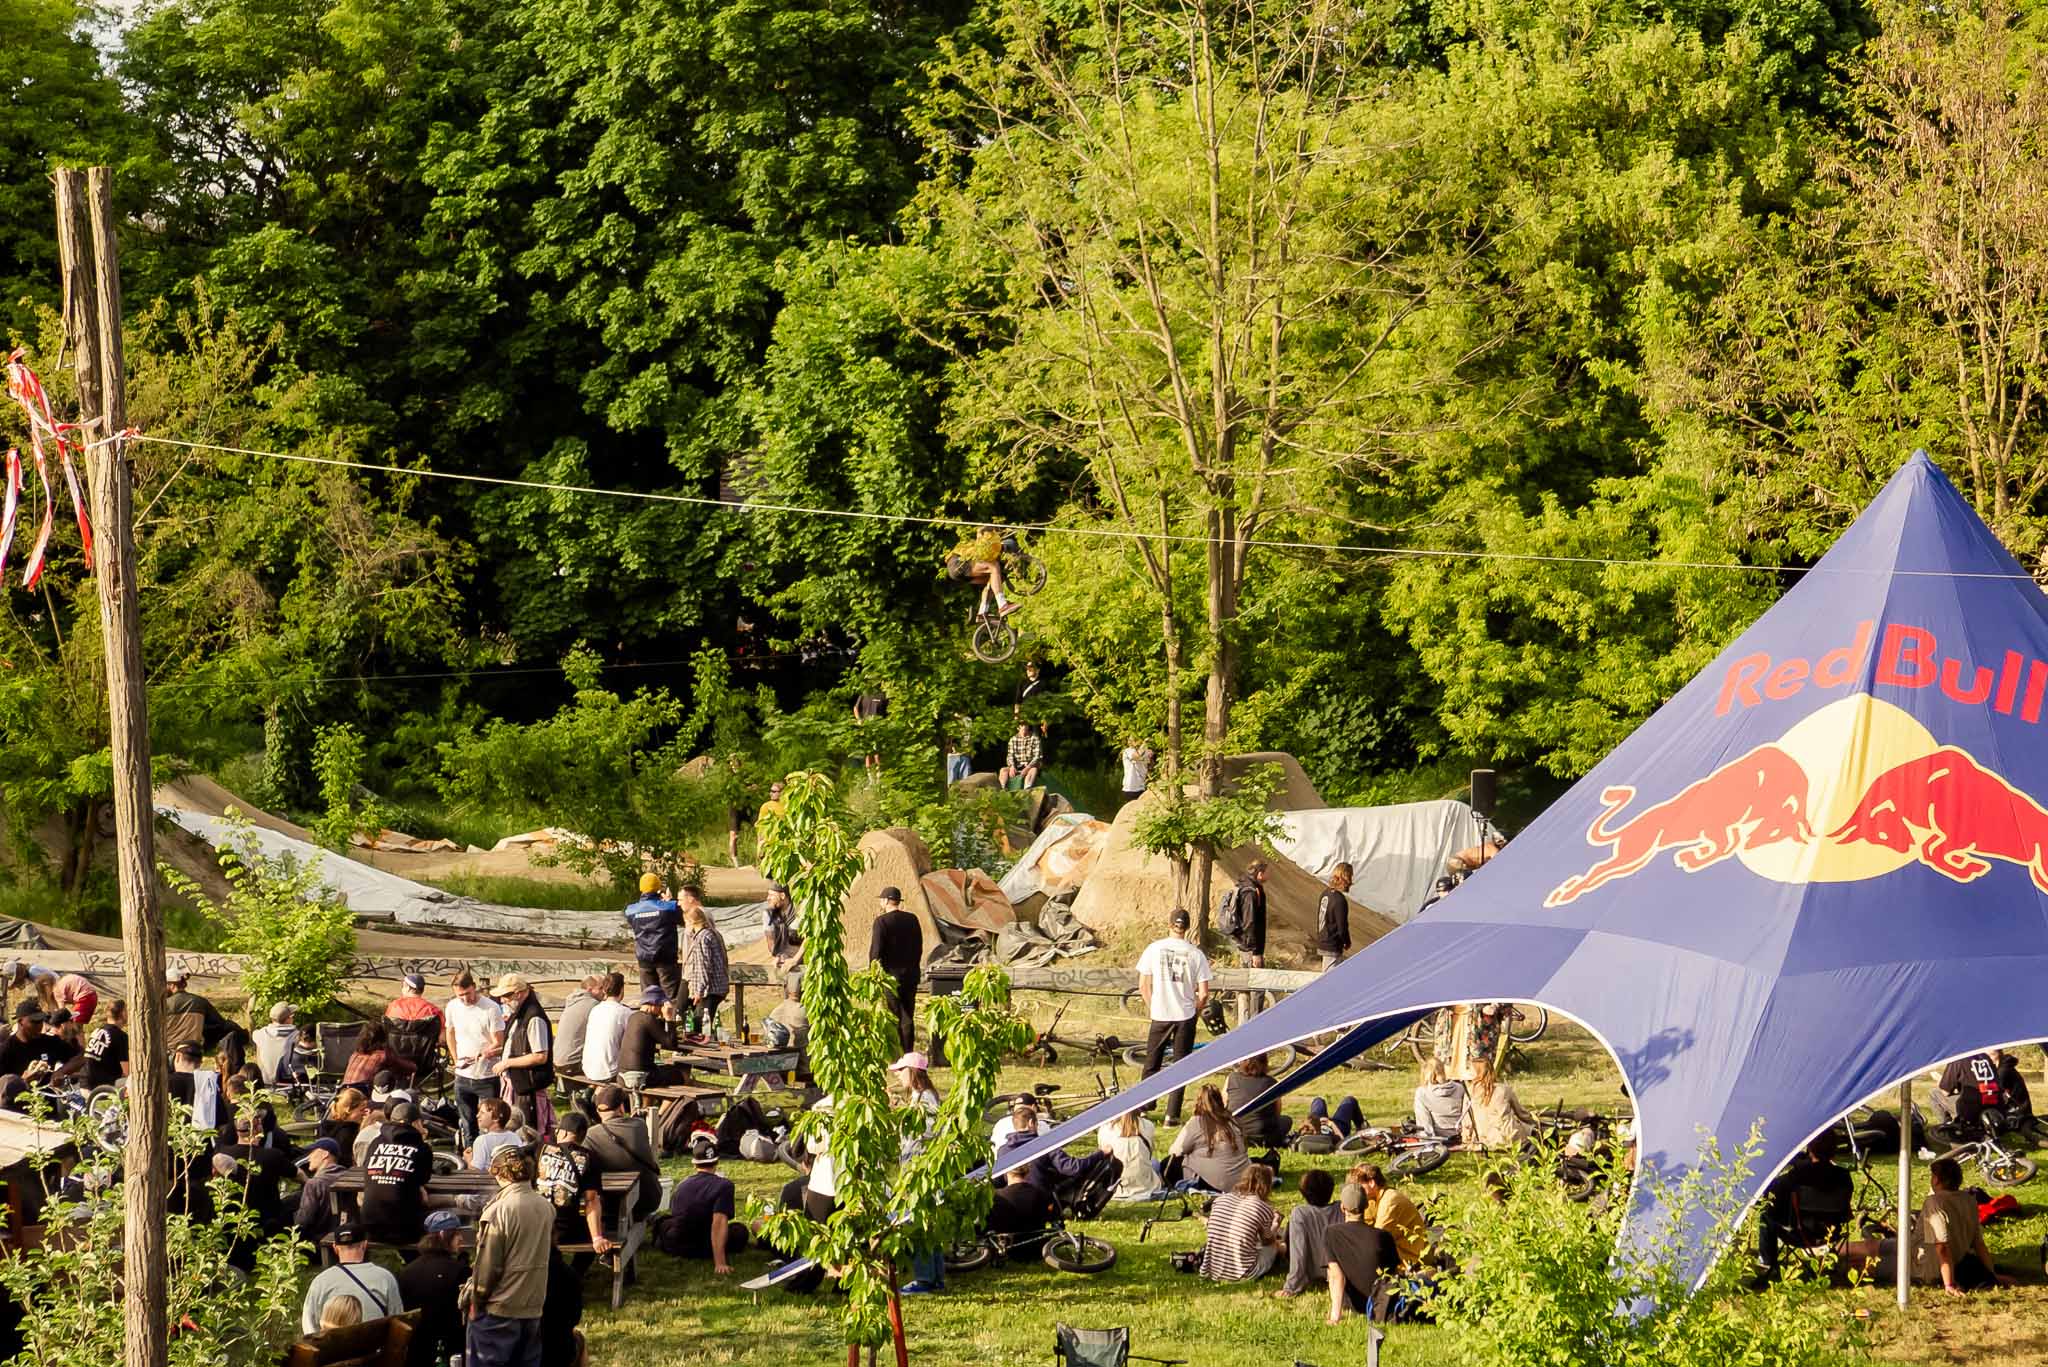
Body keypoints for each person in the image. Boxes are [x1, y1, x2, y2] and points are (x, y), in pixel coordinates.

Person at [1843, 1156, 2013, 1293]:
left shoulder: (1935, 1202)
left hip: (1923, 1265)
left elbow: (1942, 1247)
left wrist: (1949, 1284)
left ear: (1937, 1180)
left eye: (1932, 1176)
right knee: (1870, 1245)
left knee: (1860, 1264)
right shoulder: (1969, 1200)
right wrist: (1991, 1275)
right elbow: (1979, 1244)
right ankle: (1831, 1252)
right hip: (1913, 1247)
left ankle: (1830, 1258)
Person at [467, 1145, 554, 1367]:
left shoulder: (499, 1210)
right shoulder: (546, 1206)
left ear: (498, 1171)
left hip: (500, 1307)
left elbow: (489, 1266)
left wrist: (476, 1300)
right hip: (533, 1303)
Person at [1136, 909, 1212, 1124]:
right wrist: (1195, 1013)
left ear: (1169, 925)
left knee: (1152, 1062)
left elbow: (1143, 985)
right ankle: (1172, 1114)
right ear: (1187, 928)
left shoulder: (1154, 949)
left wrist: (1153, 1006)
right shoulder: (1196, 954)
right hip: (1185, 1014)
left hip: (1161, 1013)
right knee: (1181, 1066)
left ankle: (1145, 1107)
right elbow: (1204, 993)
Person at [1753, 1132, 1853, 1284]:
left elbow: (1767, 1197)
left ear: (1810, 1149)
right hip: (1832, 1233)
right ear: (1834, 1151)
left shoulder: (1797, 1176)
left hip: (1800, 1235)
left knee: (1766, 1216)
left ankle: (1768, 1264)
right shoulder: (1844, 1176)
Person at [655, 1133, 747, 1272]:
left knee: (663, 1221)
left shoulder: (682, 1185)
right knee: (739, 1231)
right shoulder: (724, 1186)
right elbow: (719, 1222)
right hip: (705, 1246)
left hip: (678, 1244)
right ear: (717, 1162)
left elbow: (677, 1215)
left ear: (694, 1163)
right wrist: (720, 1263)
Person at [301, 1217, 402, 1334]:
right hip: (374, 1344)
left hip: (335, 1344)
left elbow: (309, 1325)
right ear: (364, 1245)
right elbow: (398, 1320)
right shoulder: (385, 1278)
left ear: (335, 1248)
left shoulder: (320, 1282)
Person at [398, 1210, 470, 1367]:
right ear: (443, 1235)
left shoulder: (407, 1272)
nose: (461, 1238)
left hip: (416, 1350)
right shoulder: (460, 1271)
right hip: (450, 1349)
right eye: (457, 1234)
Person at [361, 1099, 438, 1244]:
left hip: (370, 1225)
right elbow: (424, 1178)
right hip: (404, 1228)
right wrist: (421, 1139)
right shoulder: (421, 1148)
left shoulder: (375, 1143)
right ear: (415, 1123)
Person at [445, 970, 507, 1148]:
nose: (465, 999)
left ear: (474, 987)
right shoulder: (452, 1006)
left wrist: (487, 1053)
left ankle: (489, 1152)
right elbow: (450, 1032)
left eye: (468, 994)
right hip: (463, 1075)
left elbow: (499, 1042)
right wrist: (456, 1058)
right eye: (460, 995)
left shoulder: (490, 1008)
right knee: (467, 1122)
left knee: (490, 1122)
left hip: (487, 1075)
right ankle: (469, 1152)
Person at [536, 1112, 612, 1257]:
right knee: (594, 1232)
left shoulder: (540, 1149)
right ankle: (576, 1271)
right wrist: (597, 1238)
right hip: (564, 1230)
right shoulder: (590, 1158)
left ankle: (558, 1269)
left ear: (563, 1132)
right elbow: (591, 1200)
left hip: (535, 1226)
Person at [584, 1085, 662, 1221]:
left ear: (598, 1110)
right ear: (621, 1107)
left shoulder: (591, 1135)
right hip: (647, 1198)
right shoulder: (639, 1125)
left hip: (609, 1203)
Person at [1198, 1164, 1285, 1282]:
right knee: (1274, 1246)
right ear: (1267, 1186)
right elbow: (1267, 1241)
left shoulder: (1220, 1200)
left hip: (1212, 1269)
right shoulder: (1262, 1207)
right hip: (1242, 1273)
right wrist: (1275, 1224)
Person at [493, 974, 556, 1137]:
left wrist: (507, 1063)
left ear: (519, 993)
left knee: (529, 1134)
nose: (502, 1000)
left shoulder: (534, 1017)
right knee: (513, 1131)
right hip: (517, 1085)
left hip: (529, 1088)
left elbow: (540, 1056)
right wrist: (494, 1052)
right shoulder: (519, 1013)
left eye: (506, 996)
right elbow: (517, 1046)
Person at [1325, 1182, 1396, 1323]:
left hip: (1352, 1303)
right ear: (1367, 1205)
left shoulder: (1332, 1233)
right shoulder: (1383, 1236)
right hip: (1380, 1300)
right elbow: (1393, 1272)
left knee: (1331, 1269)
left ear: (1342, 1207)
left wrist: (1335, 1316)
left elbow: (1336, 1276)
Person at [219, 1112, 298, 1236]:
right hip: (268, 1226)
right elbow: (298, 1174)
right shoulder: (273, 1155)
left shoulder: (222, 1153)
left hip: (231, 1225)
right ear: (258, 1129)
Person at [868, 887, 923, 1054]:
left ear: (885, 901)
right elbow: (919, 947)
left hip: (890, 977)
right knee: (908, 1015)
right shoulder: (913, 919)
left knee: (893, 1014)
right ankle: (908, 1052)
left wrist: (873, 973)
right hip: (911, 975)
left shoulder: (881, 922)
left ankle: (896, 1053)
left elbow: (876, 952)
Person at [1166, 1086, 1249, 1193]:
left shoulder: (1197, 1122)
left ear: (1198, 1101)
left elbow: (1176, 1150)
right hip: (1241, 1179)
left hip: (1214, 1182)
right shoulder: (1232, 1120)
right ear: (1220, 1101)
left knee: (1168, 1163)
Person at [1278, 1169, 1343, 1298]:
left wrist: (1291, 1287)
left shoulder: (1300, 1213)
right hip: (1336, 1270)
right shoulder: (1340, 1208)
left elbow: (1299, 1251)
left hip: (1313, 1271)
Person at [165, 970, 246, 1073]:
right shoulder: (199, 1002)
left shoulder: (163, 1004)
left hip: (168, 1057)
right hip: (193, 1054)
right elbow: (220, 1024)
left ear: (172, 985)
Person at [624, 874, 683, 1006]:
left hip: (644, 959)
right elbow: (683, 919)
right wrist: (669, 900)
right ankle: (672, 1018)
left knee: (648, 1000)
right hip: (666, 959)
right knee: (671, 999)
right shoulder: (669, 907)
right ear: (658, 888)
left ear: (641, 889)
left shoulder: (631, 910)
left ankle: (649, 1018)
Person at [1353, 1164, 1428, 1267]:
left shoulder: (1390, 1201)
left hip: (1409, 1258)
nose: (1357, 1192)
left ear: (1371, 1183)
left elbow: (1376, 1238)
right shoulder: (1373, 1198)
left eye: (1359, 1186)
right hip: (1397, 1252)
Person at [616, 987, 683, 1091]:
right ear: (654, 1004)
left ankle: (648, 1102)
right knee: (681, 1073)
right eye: (661, 1005)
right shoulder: (649, 1019)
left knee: (664, 1069)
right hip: (639, 1077)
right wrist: (669, 1017)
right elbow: (671, 1045)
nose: (661, 1009)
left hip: (622, 1075)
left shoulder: (634, 1017)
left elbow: (656, 1034)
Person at [1460, 1057, 1535, 1151]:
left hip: (1483, 1139)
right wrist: (1536, 1122)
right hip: (1507, 1138)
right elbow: (1522, 1114)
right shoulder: (1504, 1089)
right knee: (1529, 1130)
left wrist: (1467, 1140)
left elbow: (1466, 1121)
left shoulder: (1469, 1093)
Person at [680, 900, 729, 1039]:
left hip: (709, 990)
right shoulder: (713, 933)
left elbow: (703, 967)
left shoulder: (701, 938)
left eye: (686, 923)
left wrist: (698, 992)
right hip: (718, 987)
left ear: (691, 922)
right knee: (703, 1023)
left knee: (699, 1025)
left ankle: (702, 1048)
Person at [942, 527, 1017, 617]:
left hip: (957, 571)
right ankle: (1003, 606)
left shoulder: (993, 550)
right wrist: (984, 529)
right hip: (957, 562)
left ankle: (982, 612)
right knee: (993, 566)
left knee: (994, 578)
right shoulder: (991, 546)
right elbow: (980, 537)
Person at [0, 1001, 77, 1084]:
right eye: (35, 1022)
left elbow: (80, 1057)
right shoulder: (6, 1050)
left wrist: (61, 1072)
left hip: (51, 1091)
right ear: (21, 1021)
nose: (40, 1026)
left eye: (41, 1021)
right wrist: (23, 1081)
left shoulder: (50, 1042)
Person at [1224, 1053, 1289, 1147]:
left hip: (1235, 1132)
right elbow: (1277, 1111)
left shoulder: (1231, 1078)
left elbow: (1224, 1104)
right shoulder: (1271, 1082)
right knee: (1286, 1120)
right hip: (1262, 1135)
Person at [1931, 1052, 2003, 1136]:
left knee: (1934, 1093)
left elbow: (1945, 1092)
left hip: (1972, 1110)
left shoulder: (1958, 1058)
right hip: (1996, 1108)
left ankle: (1948, 1127)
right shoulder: (1985, 1057)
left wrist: (1940, 1081)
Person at [292, 1138, 348, 1244]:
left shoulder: (314, 1184)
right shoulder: (348, 1177)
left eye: (312, 1152)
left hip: (318, 1243)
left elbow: (303, 1221)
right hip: (346, 1239)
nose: (309, 1158)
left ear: (324, 1154)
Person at [552, 973, 608, 1078]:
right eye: (601, 988)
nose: (604, 992)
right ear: (589, 989)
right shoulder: (593, 1005)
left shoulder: (573, 1001)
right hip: (572, 1063)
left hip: (557, 1061)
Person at [1101, 1110, 1164, 1202]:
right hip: (1144, 1186)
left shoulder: (1106, 1129)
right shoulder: (1148, 1125)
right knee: (1155, 1163)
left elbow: (1103, 1155)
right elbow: (1149, 1153)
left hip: (1115, 1186)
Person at [580, 974, 632, 1083]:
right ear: (622, 990)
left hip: (588, 1069)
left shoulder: (595, 1009)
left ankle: (593, 1090)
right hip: (610, 1071)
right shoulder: (625, 1013)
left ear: (604, 990)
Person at [250, 1001, 316, 1086]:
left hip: (265, 1083)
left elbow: (258, 1059)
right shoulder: (297, 1037)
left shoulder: (260, 1034)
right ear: (289, 1019)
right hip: (287, 1084)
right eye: (292, 1016)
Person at [343, 1021, 418, 1088]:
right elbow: (412, 1068)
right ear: (382, 1039)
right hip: (362, 1095)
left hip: (343, 1092)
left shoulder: (355, 1055)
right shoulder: (383, 1055)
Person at [167, 1040, 222, 1131]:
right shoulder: (209, 1084)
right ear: (200, 1062)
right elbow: (221, 1119)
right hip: (202, 1137)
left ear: (178, 1057)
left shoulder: (165, 1083)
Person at [76, 997, 130, 1088]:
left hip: (83, 1083)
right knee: (133, 1080)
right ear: (122, 1013)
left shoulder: (97, 1031)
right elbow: (126, 1072)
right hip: (100, 1086)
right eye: (127, 1010)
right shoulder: (121, 1036)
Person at [1413, 1057, 1467, 1139]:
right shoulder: (1460, 1088)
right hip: (1461, 1136)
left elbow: (1424, 1125)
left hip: (1438, 1139)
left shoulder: (1422, 1093)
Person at [1231, 862, 1270, 970]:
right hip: (1249, 948)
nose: (1269, 875)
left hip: (1248, 946)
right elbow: (1249, 922)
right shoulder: (1250, 892)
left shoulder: (1252, 887)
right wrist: (1255, 953)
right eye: (1267, 873)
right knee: (1250, 977)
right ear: (1260, 874)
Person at [469, 1097, 522, 1173]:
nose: (477, 1115)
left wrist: (468, 1160)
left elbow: (476, 1171)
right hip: (510, 1178)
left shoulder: (482, 1140)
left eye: (482, 1113)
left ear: (496, 1118)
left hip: (487, 1180)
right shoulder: (515, 1137)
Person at [317, 1087, 369, 1162]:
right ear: (348, 1110)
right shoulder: (350, 1132)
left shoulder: (326, 1128)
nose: (365, 1113)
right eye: (362, 1110)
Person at [1317, 863, 1353, 971]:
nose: (1351, 881)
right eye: (1350, 877)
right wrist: (1347, 941)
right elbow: (1342, 926)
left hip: (1324, 940)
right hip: (1332, 945)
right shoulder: (1339, 900)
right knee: (1330, 977)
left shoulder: (1325, 894)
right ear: (1345, 878)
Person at [761, 882, 802, 974]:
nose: (768, 898)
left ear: (782, 896)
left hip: (805, 958)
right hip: (786, 958)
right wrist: (779, 956)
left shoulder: (799, 912)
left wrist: (795, 960)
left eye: (771, 895)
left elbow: (810, 939)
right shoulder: (769, 915)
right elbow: (771, 943)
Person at [852, 689, 888, 777]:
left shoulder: (883, 695)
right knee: (868, 753)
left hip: (879, 727)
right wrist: (859, 720)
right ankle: (870, 778)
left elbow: (888, 711)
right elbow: (856, 708)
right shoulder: (864, 693)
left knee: (877, 753)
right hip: (866, 727)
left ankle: (879, 776)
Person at [1297, 1095, 1367, 1141]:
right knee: (1349, 1100)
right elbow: (1341, 1141)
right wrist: (1331, 1124)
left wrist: (1317, 1122)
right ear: (1315, 1132)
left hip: (1319, 1122)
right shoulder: (1326, 1139)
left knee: (1318, 1100)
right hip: (1337, 1127)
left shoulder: (1303, 1137)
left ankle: (1362, 1126)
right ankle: (1361, 1126)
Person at [999, 722, 1042, 790]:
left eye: (1025, 725)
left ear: (1028, 727)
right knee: (1003, 770)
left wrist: (1027, 768)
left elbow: (1037, 757)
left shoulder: (1035, 738)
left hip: (1031, 766)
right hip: (1017, 766)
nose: (1024, 727)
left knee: (1034, 770)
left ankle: (1027, 788)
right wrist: (1012, 766)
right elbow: (1010, 756)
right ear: (1018, 728)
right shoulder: (1013, 739)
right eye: (1022, 725)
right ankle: (1003, 788)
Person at [1119, 738, 1153, 808]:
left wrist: (1150, 756)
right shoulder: (1127, 751)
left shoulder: (1146, 751)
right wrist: (1144, 745)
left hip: (1142, 788)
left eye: (1134, 740)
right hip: (1130, 789)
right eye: (1129, 740)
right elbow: (1135, 756)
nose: (1130, 742)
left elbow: (1150, 765)